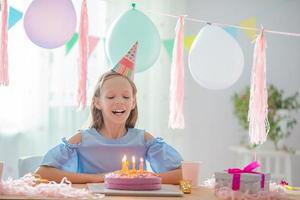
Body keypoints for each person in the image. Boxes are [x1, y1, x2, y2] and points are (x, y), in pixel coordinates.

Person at [36, 42, 183, 184]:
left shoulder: (143, 139)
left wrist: (143, 178)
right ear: (97, 102)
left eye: (126, 97)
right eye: (111, 96)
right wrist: (96, 178)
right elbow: (42, 173)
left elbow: (182, 173)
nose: (119, 101)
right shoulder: (82, 139)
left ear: (133, 103)